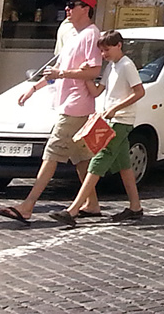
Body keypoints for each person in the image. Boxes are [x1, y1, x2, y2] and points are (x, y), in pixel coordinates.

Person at [0, 0, 101, 224]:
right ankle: (92, 204)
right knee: (81, 158)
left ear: (86, 9)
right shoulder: (74, 35)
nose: (67, 9)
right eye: (68, 5)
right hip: (69, 102)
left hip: (76, 105)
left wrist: (61, 73)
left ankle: (28, 205)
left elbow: (93, 71)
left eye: (73, 5)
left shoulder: (91, 35)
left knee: (51, 154)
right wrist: (35, 88)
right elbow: (57, 71)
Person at [54, 29, 146, 223]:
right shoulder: (111, 67)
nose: (103, 54)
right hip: (112, 120)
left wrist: (115, 108)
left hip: (121, 120)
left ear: (118, 45)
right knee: (124, 165)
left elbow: (139, 92)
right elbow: (97, 92)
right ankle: (135, 207)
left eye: (107, 50)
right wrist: (85, 75)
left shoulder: (127, 65)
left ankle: (73, 209)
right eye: (102, 51)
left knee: (98, 161)